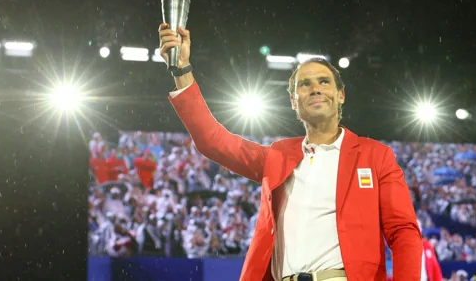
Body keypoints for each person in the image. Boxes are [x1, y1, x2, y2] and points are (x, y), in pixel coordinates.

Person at [159, 23, 422, 281]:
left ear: (340, 95)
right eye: (304, 84)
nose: (315, 88)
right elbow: (212, 140)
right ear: (293, 102)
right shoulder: (276, 156)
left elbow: (403, 232)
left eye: (324, 81)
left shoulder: (375, 156)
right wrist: (182, 70)